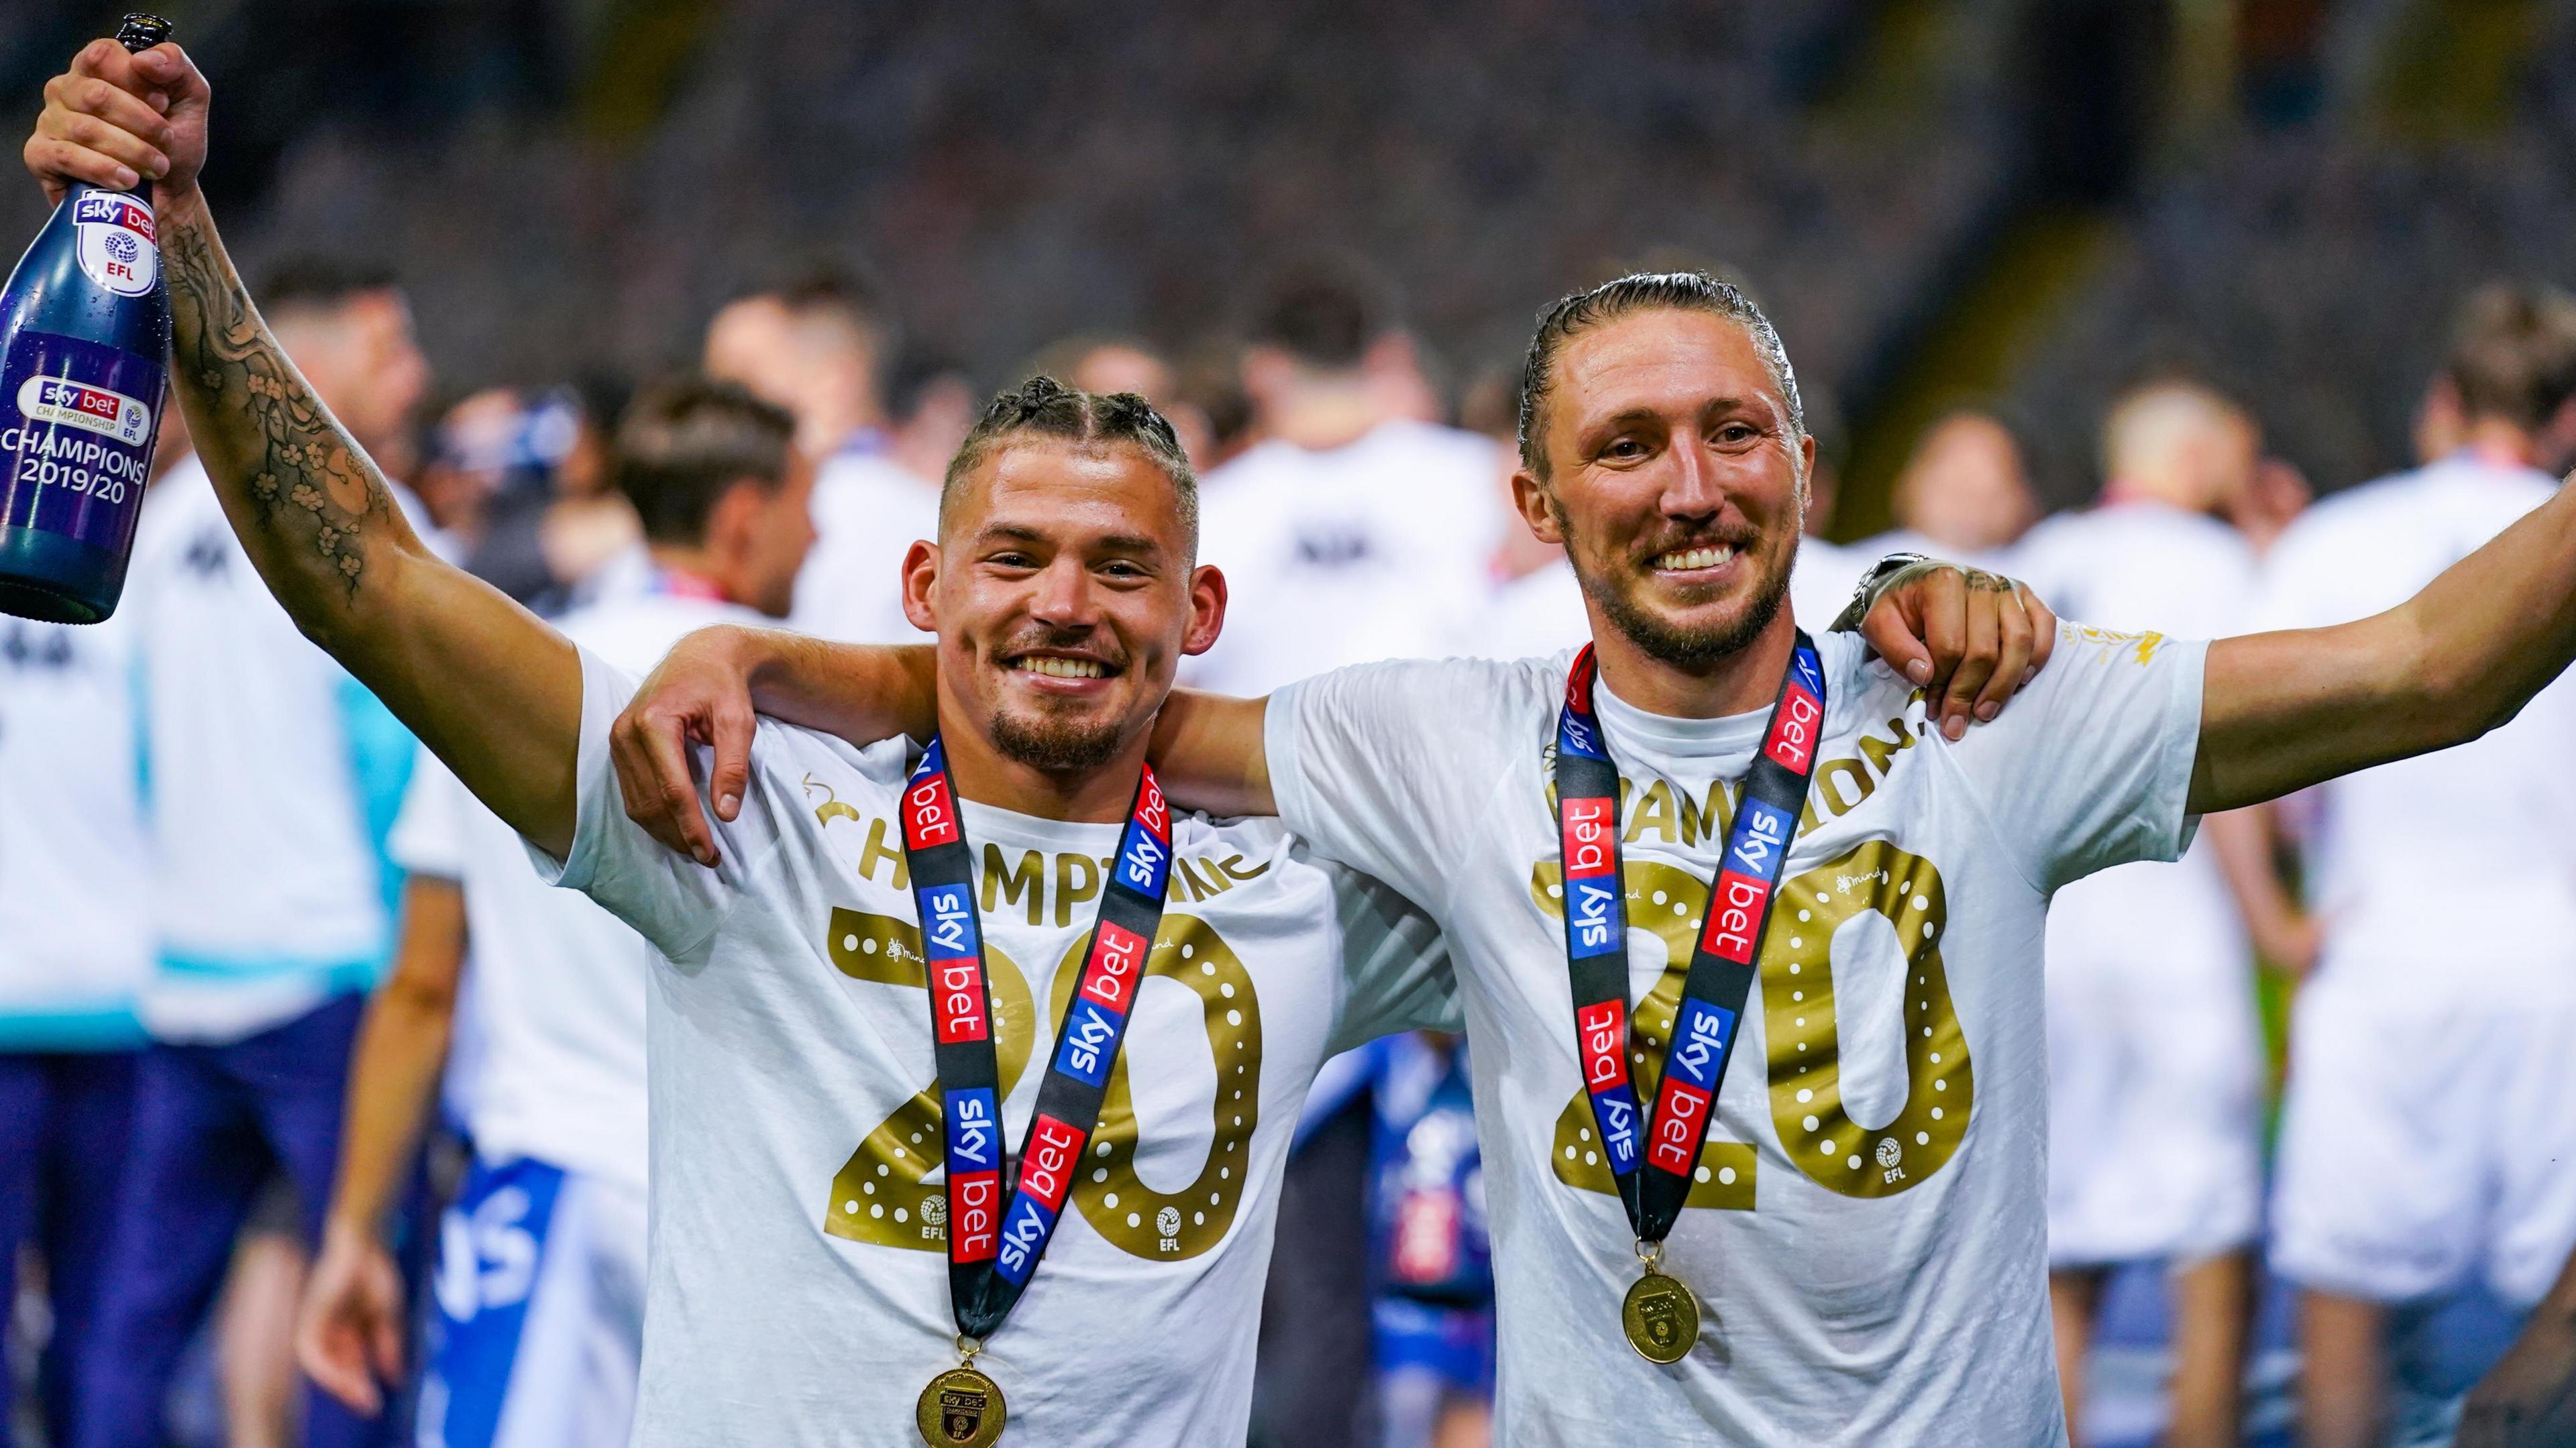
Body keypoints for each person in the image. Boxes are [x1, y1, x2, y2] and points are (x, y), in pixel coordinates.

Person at [22, 44, 2035, 1445]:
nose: (1063, 599)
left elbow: (1664, 779)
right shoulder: (727, 807)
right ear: (920, 580)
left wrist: (1872, 618)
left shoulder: (1312, 890)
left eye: (1116, 567)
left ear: (1198, 616)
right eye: (1014, 557)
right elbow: (368, 575)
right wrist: (187, 241)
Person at [619, 266, 2576, 1446]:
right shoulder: (1436, 740)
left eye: (1736, 432)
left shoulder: (1987, 710)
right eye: (1628, 443)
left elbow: (2435, 662)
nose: (1691, 480)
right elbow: (1064, 691)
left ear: (1804, 472)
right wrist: (778, 655)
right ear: (1537, 497)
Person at [293, 378, 815, 1447]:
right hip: (765, 1203)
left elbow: (425, 984)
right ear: (743, 514)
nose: (824, 533)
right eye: (811, 502)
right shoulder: (826, 714)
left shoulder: (515, 682)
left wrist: (353, 1228)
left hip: (550, 1184)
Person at [70, 254, 436, 1447]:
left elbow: (133, 760)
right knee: (357, 1294)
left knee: (139, 1316)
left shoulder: (159, 523)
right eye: (391, 349)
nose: (418, 376)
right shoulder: (369, 521)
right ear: (309, 362)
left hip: (187, 975)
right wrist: (418, 972)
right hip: (331, 978)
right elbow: (410, 765)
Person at [2252, 283, 2576, 1448]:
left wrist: (2277, 931)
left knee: (2343, 1298)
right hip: (2553, 966)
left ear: (2443, 402)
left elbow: (2258, 788)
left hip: (2380, 953)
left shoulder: (2337, 539)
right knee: (2563, 1322)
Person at [2010, 380, 2302, 1447]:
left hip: (2046, 942)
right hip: (2176, 947)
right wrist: (2276, 920)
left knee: (2058, 1256)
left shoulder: (2038, 556)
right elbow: (2235, 764)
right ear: (2193, 456)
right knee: (2213, 1248)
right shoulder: (2217, 565)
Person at [1184, 264, 1505, 695]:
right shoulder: (1483, 478)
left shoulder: (1206, 508)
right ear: (1385, 356)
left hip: (1257, 755)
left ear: (1262, 369)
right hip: (1444, 750)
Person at [704, 268, 935, 645]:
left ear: (834, 379)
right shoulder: (939, 510)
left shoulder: (782, 513)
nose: (721, 408)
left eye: (745, 382)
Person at [1851, 408, 2040, 568]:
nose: (1969, 485)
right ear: (1907, 482)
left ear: (2022, 502)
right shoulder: (1844, 574)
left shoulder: (2046, 582)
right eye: (1953, 471)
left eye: (1991, 470)